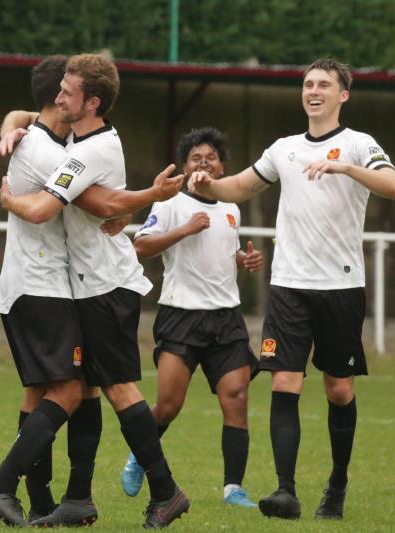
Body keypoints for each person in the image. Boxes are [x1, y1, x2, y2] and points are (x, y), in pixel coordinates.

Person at [189, 58, 395, 520]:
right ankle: (285, 492)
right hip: (288, 284)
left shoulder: (359, 144)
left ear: (342, 95)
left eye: (324, 84)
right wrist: (209, 184)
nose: (314, 90)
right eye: (308, 83)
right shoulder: (283, 149)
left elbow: (394, 186)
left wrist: (348, 169)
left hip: (340, 287)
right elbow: (241, 187)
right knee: (284, 382)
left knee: (338, 390)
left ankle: (337, 484)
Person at [0, 55, 183, 527]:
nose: (59, 99)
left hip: (104, 284)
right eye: (59, 91)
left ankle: (166, 491)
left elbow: (71, 206)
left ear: (91, 102)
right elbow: (28, 116)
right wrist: (11, 124)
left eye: (68, 92)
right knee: (87, 390)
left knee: (115, 389)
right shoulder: (74, 135)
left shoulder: (87, 151)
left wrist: (12, 200)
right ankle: (76, 499)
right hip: (82, 284)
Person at [120, 127, 263, 509]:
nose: (204, 162)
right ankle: (138, 457)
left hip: (225, 318)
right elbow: (141, 245)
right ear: (184, 167)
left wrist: (243, 260)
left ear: (222, 166)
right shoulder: (170, 205)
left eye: (211, 157)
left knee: (236, 396)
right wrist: (185, 228)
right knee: (168, 405)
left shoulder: (232, 206)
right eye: (196, 158)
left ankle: (234, 489)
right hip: (181, 315)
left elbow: (225, 249)